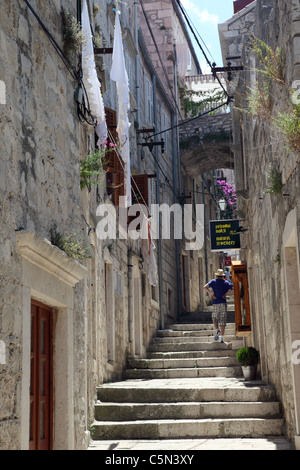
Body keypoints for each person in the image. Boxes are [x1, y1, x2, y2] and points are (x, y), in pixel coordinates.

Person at [204, 269, 233, 343]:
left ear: (217, 275)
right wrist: (226, 294)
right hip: (223, 302)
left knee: (215, 318)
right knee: (223, 320)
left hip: (215, 302)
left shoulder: (213, 281)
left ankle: (217, 330)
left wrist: (211, 294)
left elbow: (205, 287)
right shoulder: (226, 282)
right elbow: (233, 288)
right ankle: (222, 338)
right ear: (222, 276)